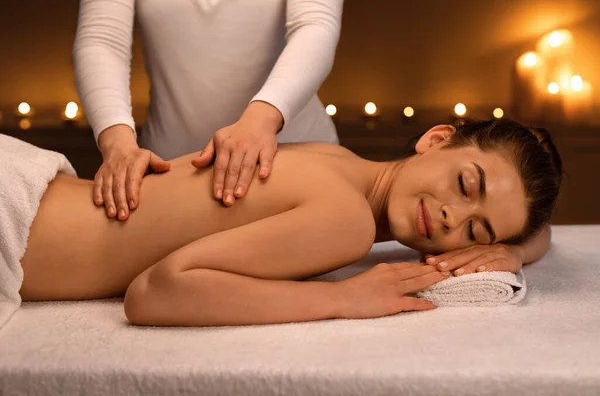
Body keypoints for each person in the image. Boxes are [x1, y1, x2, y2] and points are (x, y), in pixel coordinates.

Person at [15, 119, 562, 327]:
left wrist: (513, 251)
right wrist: (344, 299)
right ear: (436, 140)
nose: (452, 218)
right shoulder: (347, 222)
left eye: (475, 233)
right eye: (467, 186)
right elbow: (156, 292)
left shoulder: (334, 157)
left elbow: (538, 229)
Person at [73, 0, 343, 220]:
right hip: (171, 171)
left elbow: (315, 25)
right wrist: (117, 144)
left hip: (290, 157)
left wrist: (260, 121)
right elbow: (102, 39)